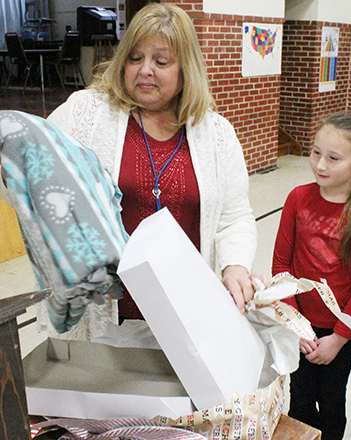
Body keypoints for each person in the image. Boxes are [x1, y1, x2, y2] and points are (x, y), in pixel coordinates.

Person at [47, 3, 257, 333]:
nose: (145, 69)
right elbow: (34, 170)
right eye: (135, 58)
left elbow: (234, 217)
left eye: (161, 61)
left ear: (185, 69)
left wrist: (235, 266)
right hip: (106, 313)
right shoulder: (84, 113)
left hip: (187, 315)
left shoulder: (215, 133)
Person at [272, 112, 351, 440]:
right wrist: (295, 325)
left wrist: (338, 338)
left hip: (339, 331)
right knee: (301, 399)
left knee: (332, 401)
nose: (320, 165)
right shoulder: (297, 198)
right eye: (315, 152)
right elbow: (281, 266)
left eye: (333, 158)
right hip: (299, 326)